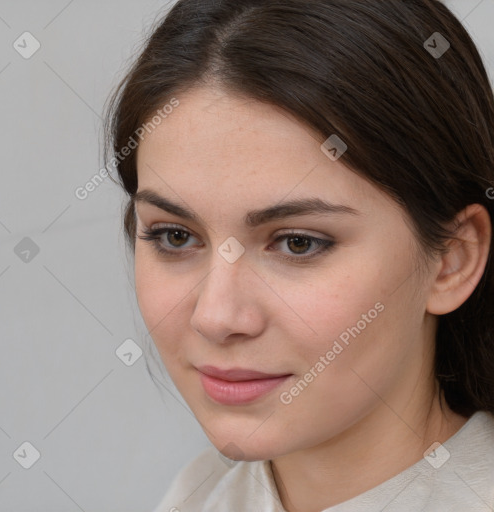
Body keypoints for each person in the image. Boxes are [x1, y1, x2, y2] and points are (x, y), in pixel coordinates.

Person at [103, 0, 494, 510]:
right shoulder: (196, 497)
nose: (216, 317)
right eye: (176, 236)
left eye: (298, 242)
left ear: (452, 261)